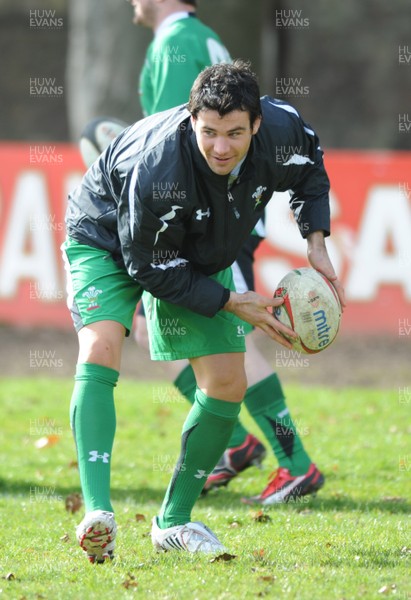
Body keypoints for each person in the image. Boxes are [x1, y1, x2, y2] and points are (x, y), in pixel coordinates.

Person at [63, 60, 345, 561]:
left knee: (227, 383)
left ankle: (172, 523)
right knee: (103, 344)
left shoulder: (283, 131)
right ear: (191, 120)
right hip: (105, 234)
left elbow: (311, 170)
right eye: (208, 132)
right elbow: (146, 267)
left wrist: (316, 242)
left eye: (234, 133)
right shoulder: (158, 166)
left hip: (193, 249)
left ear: (257, 125)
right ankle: (97, 512)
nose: (220, 146)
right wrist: (232, 302)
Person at [122, 0, 327, 499]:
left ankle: (294, 460)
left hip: (212, 221)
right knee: (152, 326)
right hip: (204, 216)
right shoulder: (194, 38)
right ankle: (234, 442)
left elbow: (179, 138)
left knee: (233, 336)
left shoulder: (176, 44)